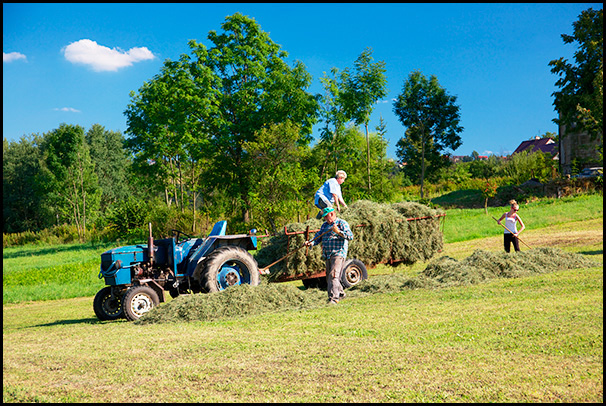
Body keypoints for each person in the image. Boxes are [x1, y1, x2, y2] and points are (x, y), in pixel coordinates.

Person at [305, 207, 353, 304]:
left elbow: (350, 236)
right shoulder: (324, 226)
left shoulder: (341, 223)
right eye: (325, 217)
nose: (325, 219)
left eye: (326, 216)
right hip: (328, 254)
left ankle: (334, 299)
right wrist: (311, 243)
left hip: (338, 253)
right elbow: (318, 237)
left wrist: (338, 232)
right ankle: (340, 293)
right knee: (329, 277)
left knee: (333, 276)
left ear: (332, 214)